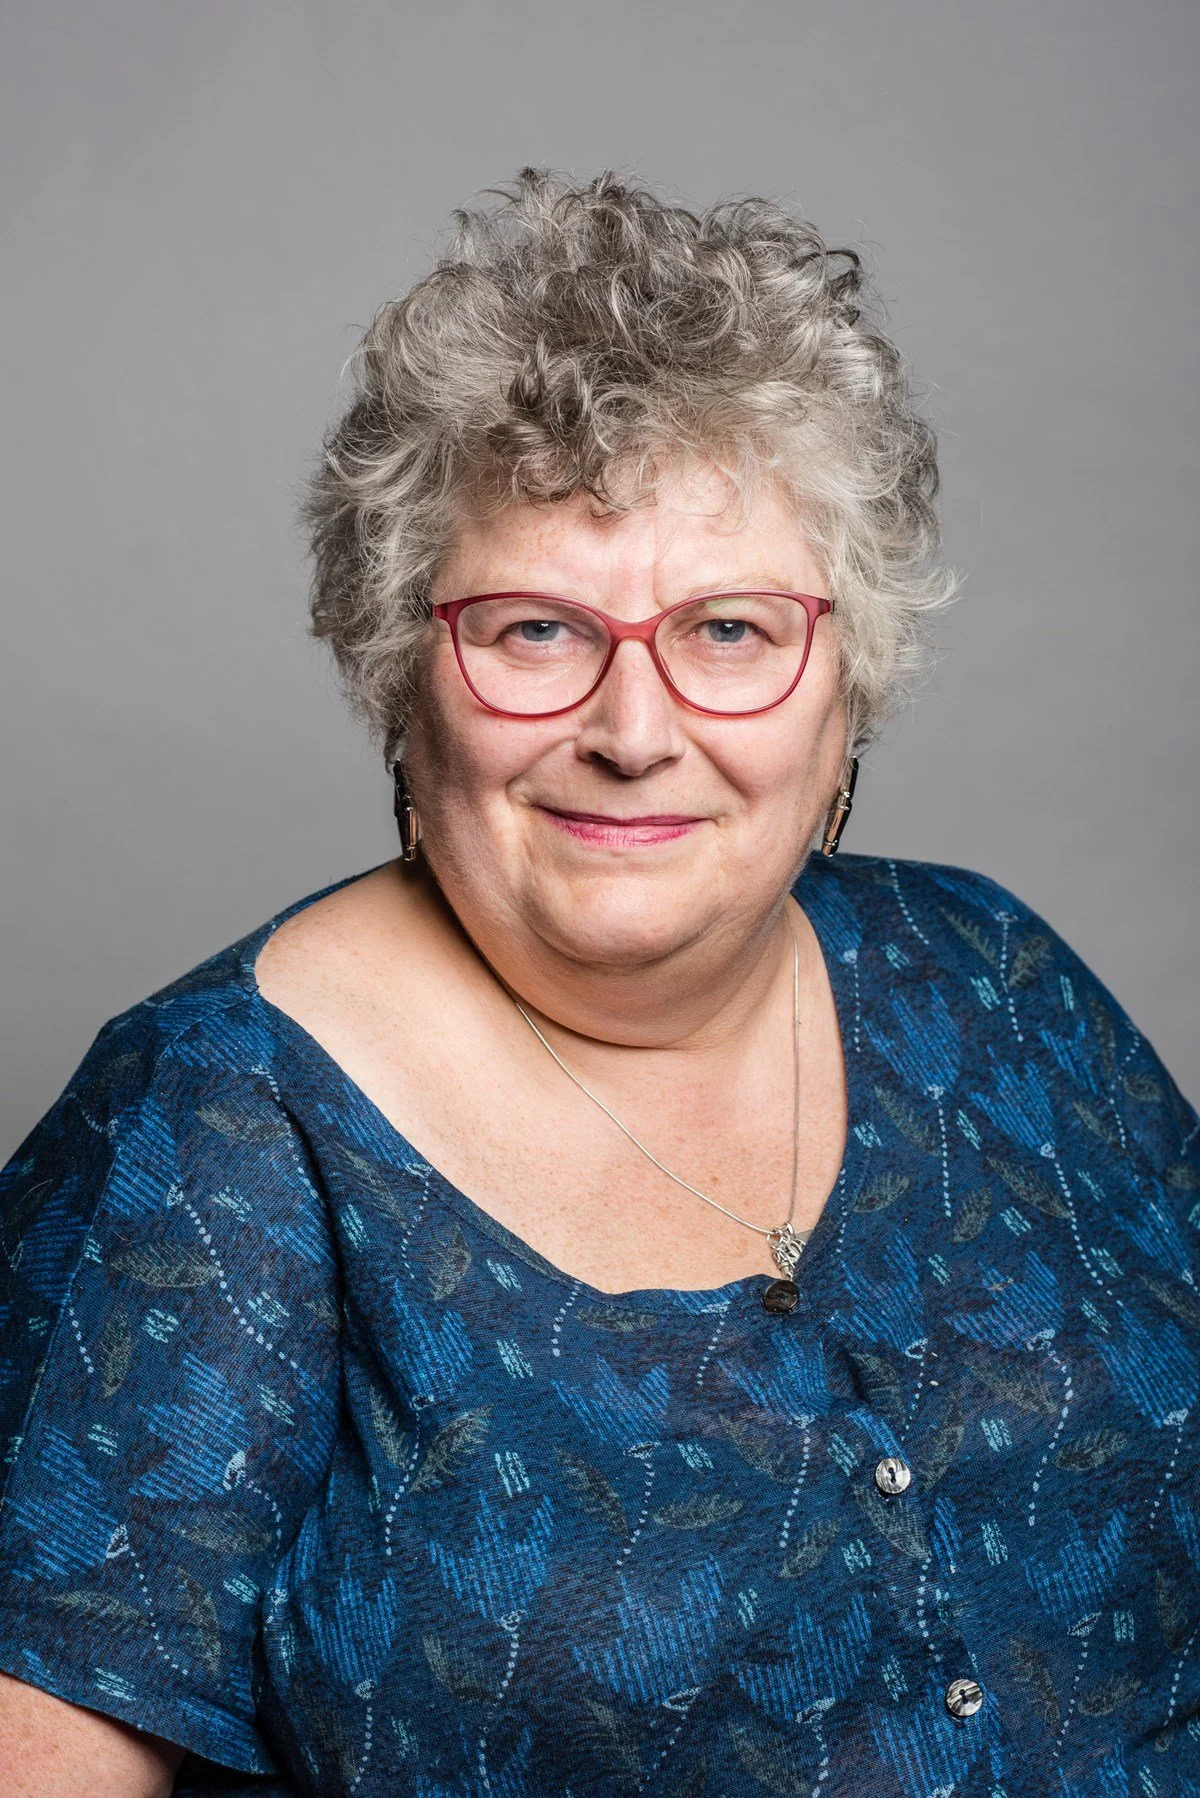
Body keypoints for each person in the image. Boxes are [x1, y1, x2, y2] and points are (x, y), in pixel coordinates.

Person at [1, 169, 1197, 1798]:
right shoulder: (212, 1134)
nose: (636, 731)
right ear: (398, 675)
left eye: (726, 627)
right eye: (539, 629)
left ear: (848, 684)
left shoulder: (993, 979)